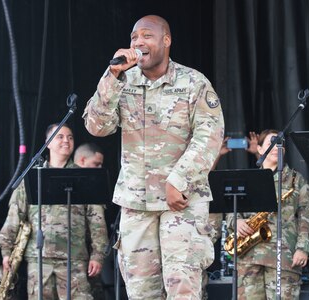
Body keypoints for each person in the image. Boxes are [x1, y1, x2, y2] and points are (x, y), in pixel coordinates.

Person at [82, 14, 224, 299]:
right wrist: (112, 76)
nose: (138, 42)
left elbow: (210, 134)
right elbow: (97, 127)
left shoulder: (193, 82)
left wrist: (179, 180)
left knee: (183, 289)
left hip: (181, 201)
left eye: (146, 36)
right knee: (141, 293)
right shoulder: (123, 81)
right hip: (137, 204)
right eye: (134, 37)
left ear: (166, 40)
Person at [0, 124, 108, 300]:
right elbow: (15, 215)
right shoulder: (33, 177)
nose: (66, 141)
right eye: (60, 137)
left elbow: (97, 222)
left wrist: (98, 255)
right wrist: (6, 251)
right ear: (47, 143)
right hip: (39, 261)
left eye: (70, 137)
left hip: (74, 260)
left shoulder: (84, 177)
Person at [225, 129, 309, 299]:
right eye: (272, 143)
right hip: (248, 257)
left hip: (284, 258)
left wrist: (303, 249)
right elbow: (232, 210)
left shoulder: (295, 180)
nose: (278, 147)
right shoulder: (247, 178)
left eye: (281, 144)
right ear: (260, 149)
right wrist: (236, 222)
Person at [73, 142, 108, 300]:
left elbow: (98, 226)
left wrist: (97, 255)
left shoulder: (93, 187)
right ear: (82, 160)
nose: (99, 169)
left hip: (83, 255)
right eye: (96, 164)